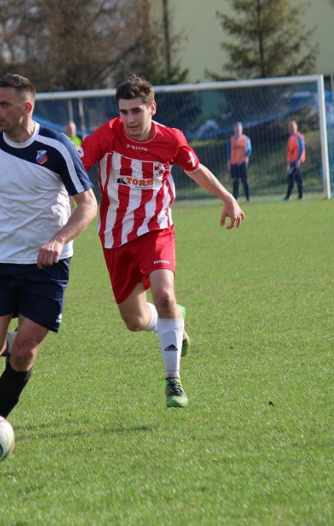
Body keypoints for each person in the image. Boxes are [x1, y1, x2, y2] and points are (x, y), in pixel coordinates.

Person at [80, 75, 244, 408]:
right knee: (135, 321)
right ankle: (171, 319)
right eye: (123, 111)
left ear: (152, 108)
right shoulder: (104, 137)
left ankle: (173, 381)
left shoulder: (171, 140)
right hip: (114, 237)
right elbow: (74, 170)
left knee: (164, 293)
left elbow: (195, 169)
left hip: (156, 229)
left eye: (136, 111)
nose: (129, 119)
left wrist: (226, 196)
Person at [0, 73, 97, 419]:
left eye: (4, 104)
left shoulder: (57, 146)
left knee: (24, 351)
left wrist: (58, 240)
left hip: (48, 266)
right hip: (1, 263)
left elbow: (88, 205)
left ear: (26, 107)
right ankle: (23, 338)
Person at [227, 122, 251, 202]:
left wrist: (242, 159)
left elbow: (249, 151)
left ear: (241, 130)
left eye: (239, 129)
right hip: (234, 163)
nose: (238, 131)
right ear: (234, 130)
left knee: (245, 180)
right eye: (236, 129)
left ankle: (248, 198)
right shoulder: (231, 140)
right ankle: (235, 199)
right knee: (235, 181)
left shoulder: (245, 139)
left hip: (243, 163)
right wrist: (229, 162)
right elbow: (229, 152)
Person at [283, 120, 305, 201]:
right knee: (291, 178)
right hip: (292, 162)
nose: (292, 129)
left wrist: (299, 160)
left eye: (293, 127)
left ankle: (299, 195)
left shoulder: (299, 137)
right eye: (291, 127)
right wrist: (288, 163)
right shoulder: (290, 138)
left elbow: (302, 149)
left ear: (296, 127)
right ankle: (289, 196)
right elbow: (289, 151)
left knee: (297, 178)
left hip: (297, 162)